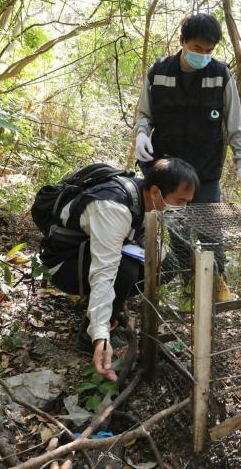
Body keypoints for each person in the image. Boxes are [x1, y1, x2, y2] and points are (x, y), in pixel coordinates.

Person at [40, 158, 199, 380]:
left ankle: (109, 307)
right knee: (125, 270)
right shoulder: (113, 207)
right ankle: (92, 333)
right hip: (64, 264)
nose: (182, 209)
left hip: (87, 253)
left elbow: (147, 240)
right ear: (156, 191)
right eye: (179, 201)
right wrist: (101, 337)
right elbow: (103, 272)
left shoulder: (144, 197)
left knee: (168, 265)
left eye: (187, 203)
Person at [133, 13, 241, 300]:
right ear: (182, 42)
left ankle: (217, 285)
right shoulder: (159, 72)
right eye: (198, 48)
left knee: (211, 232)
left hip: (206, 170)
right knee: (175, 232)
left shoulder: (220, 74)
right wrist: (141, 133)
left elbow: (235, 123)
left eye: (210, 50)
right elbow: (144, 113)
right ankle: (190, 286)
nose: (204, 55)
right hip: (168, 170)